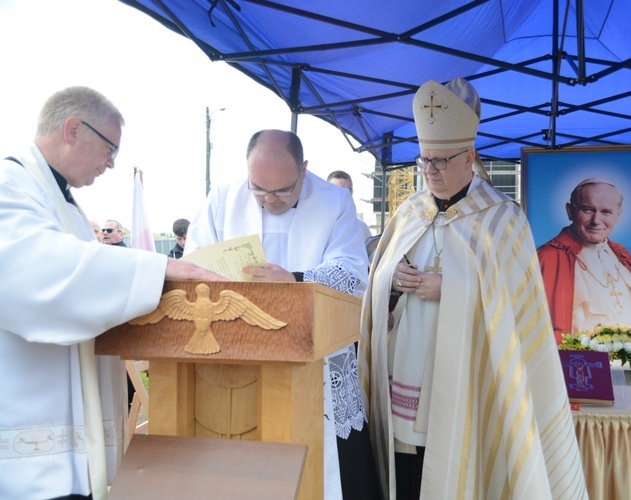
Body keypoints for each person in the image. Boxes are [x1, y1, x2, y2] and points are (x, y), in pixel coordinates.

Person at [359, 78, 586, 499]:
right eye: (425, 161)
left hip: (467, 380)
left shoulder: (503, 219)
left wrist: (452, 288)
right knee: (405, 472)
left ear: (470, 157)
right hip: (404, 372)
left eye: (442, 162)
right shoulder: (409, 211)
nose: (431, 172)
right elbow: (375, 284)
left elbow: (519, 311)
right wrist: (390, 281)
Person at [0, 86, 225, 499]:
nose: (111, 163)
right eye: (109, 149)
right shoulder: (9, 184)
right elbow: (37, 272)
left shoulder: (60, 200)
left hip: (66, 441)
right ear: (72, 129)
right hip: (30, 444)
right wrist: (160, 268)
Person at [185, 129, 379, 500]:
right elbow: (194, 260)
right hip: (238, 351)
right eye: (258, 189)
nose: (268, 200)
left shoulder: (334, 201)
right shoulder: (224, 198)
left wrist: (293, 279)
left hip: (316, 353)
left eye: (282, 191)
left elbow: (352, 270)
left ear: (303, 170)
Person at [537, 178, 631, 344]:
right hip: (580, 365)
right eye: (587, 210)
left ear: (618, 216)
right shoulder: (548, 256)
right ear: (570, 211)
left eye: (606, 212)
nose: (596, 220)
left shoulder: (621, 255)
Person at [327, 170, 372, 244]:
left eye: (348, 191)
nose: (345, 195)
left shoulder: (361, 227)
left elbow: (370, 253)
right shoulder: (317, 225)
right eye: (339, 190)